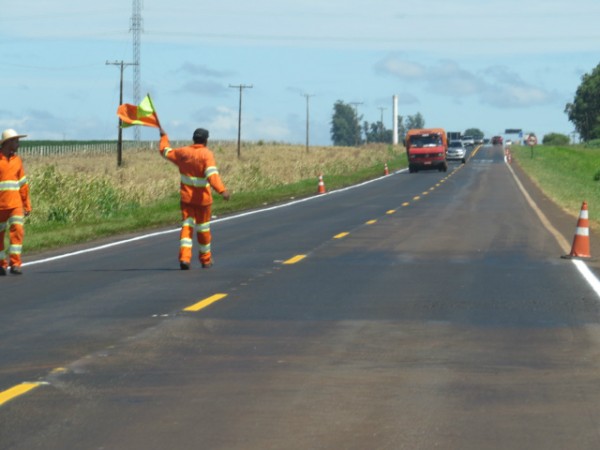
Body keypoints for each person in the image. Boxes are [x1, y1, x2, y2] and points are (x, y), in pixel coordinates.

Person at [159, 127, 230, 270]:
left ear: (193, 139)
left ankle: (185, 258)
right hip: (203, 201)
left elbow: (165, 151)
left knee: (187, 227)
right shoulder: (206, 154)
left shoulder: (183, 152)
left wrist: (164, 136)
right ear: (205, 140)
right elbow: (212, 175)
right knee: (203, 230)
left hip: (187, 199)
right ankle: (205, 260)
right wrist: (222, 190)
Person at [0, 129, 31, 275]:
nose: (18, 144)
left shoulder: (17, 161)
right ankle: (1, 264)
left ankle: (15, 263)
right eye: (16, 141)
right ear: (7, 143)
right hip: (0, 206)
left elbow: (23, 185)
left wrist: (26, 204)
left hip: (16, 205)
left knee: (17, 232)